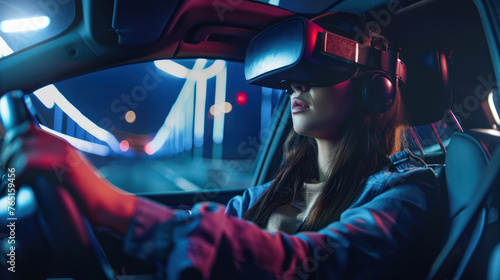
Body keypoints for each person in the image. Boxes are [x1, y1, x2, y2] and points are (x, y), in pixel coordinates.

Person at [1, 12, 448, 280]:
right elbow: (194, 226)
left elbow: (308, 265)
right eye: (292, 72)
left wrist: (114, 205)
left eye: (317, 69)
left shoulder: (403, 195)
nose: (294, 83)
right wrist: (78, 203)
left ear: (379, 90)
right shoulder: (283, 188)